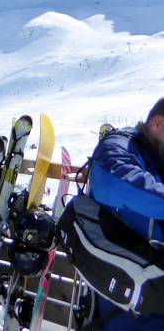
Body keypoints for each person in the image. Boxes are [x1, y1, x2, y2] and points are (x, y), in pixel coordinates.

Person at [85, 98, 164, 329]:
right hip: (127, 310)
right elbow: (112, 183)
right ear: (158, 124)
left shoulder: (157, 159)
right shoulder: (119, 146)